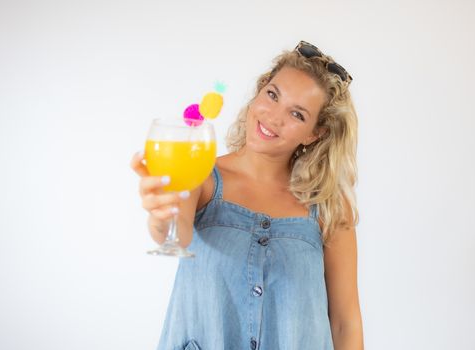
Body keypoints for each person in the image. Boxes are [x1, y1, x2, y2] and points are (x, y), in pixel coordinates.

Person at [131, 40, 363, 350]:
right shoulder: (201, 173)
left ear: (314, 133)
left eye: (296, 114)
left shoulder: (330, 206)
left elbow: (345, 321)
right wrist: (159, 213)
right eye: (272, 94)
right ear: (259, 91)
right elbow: (174, 234)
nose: (273, 116)